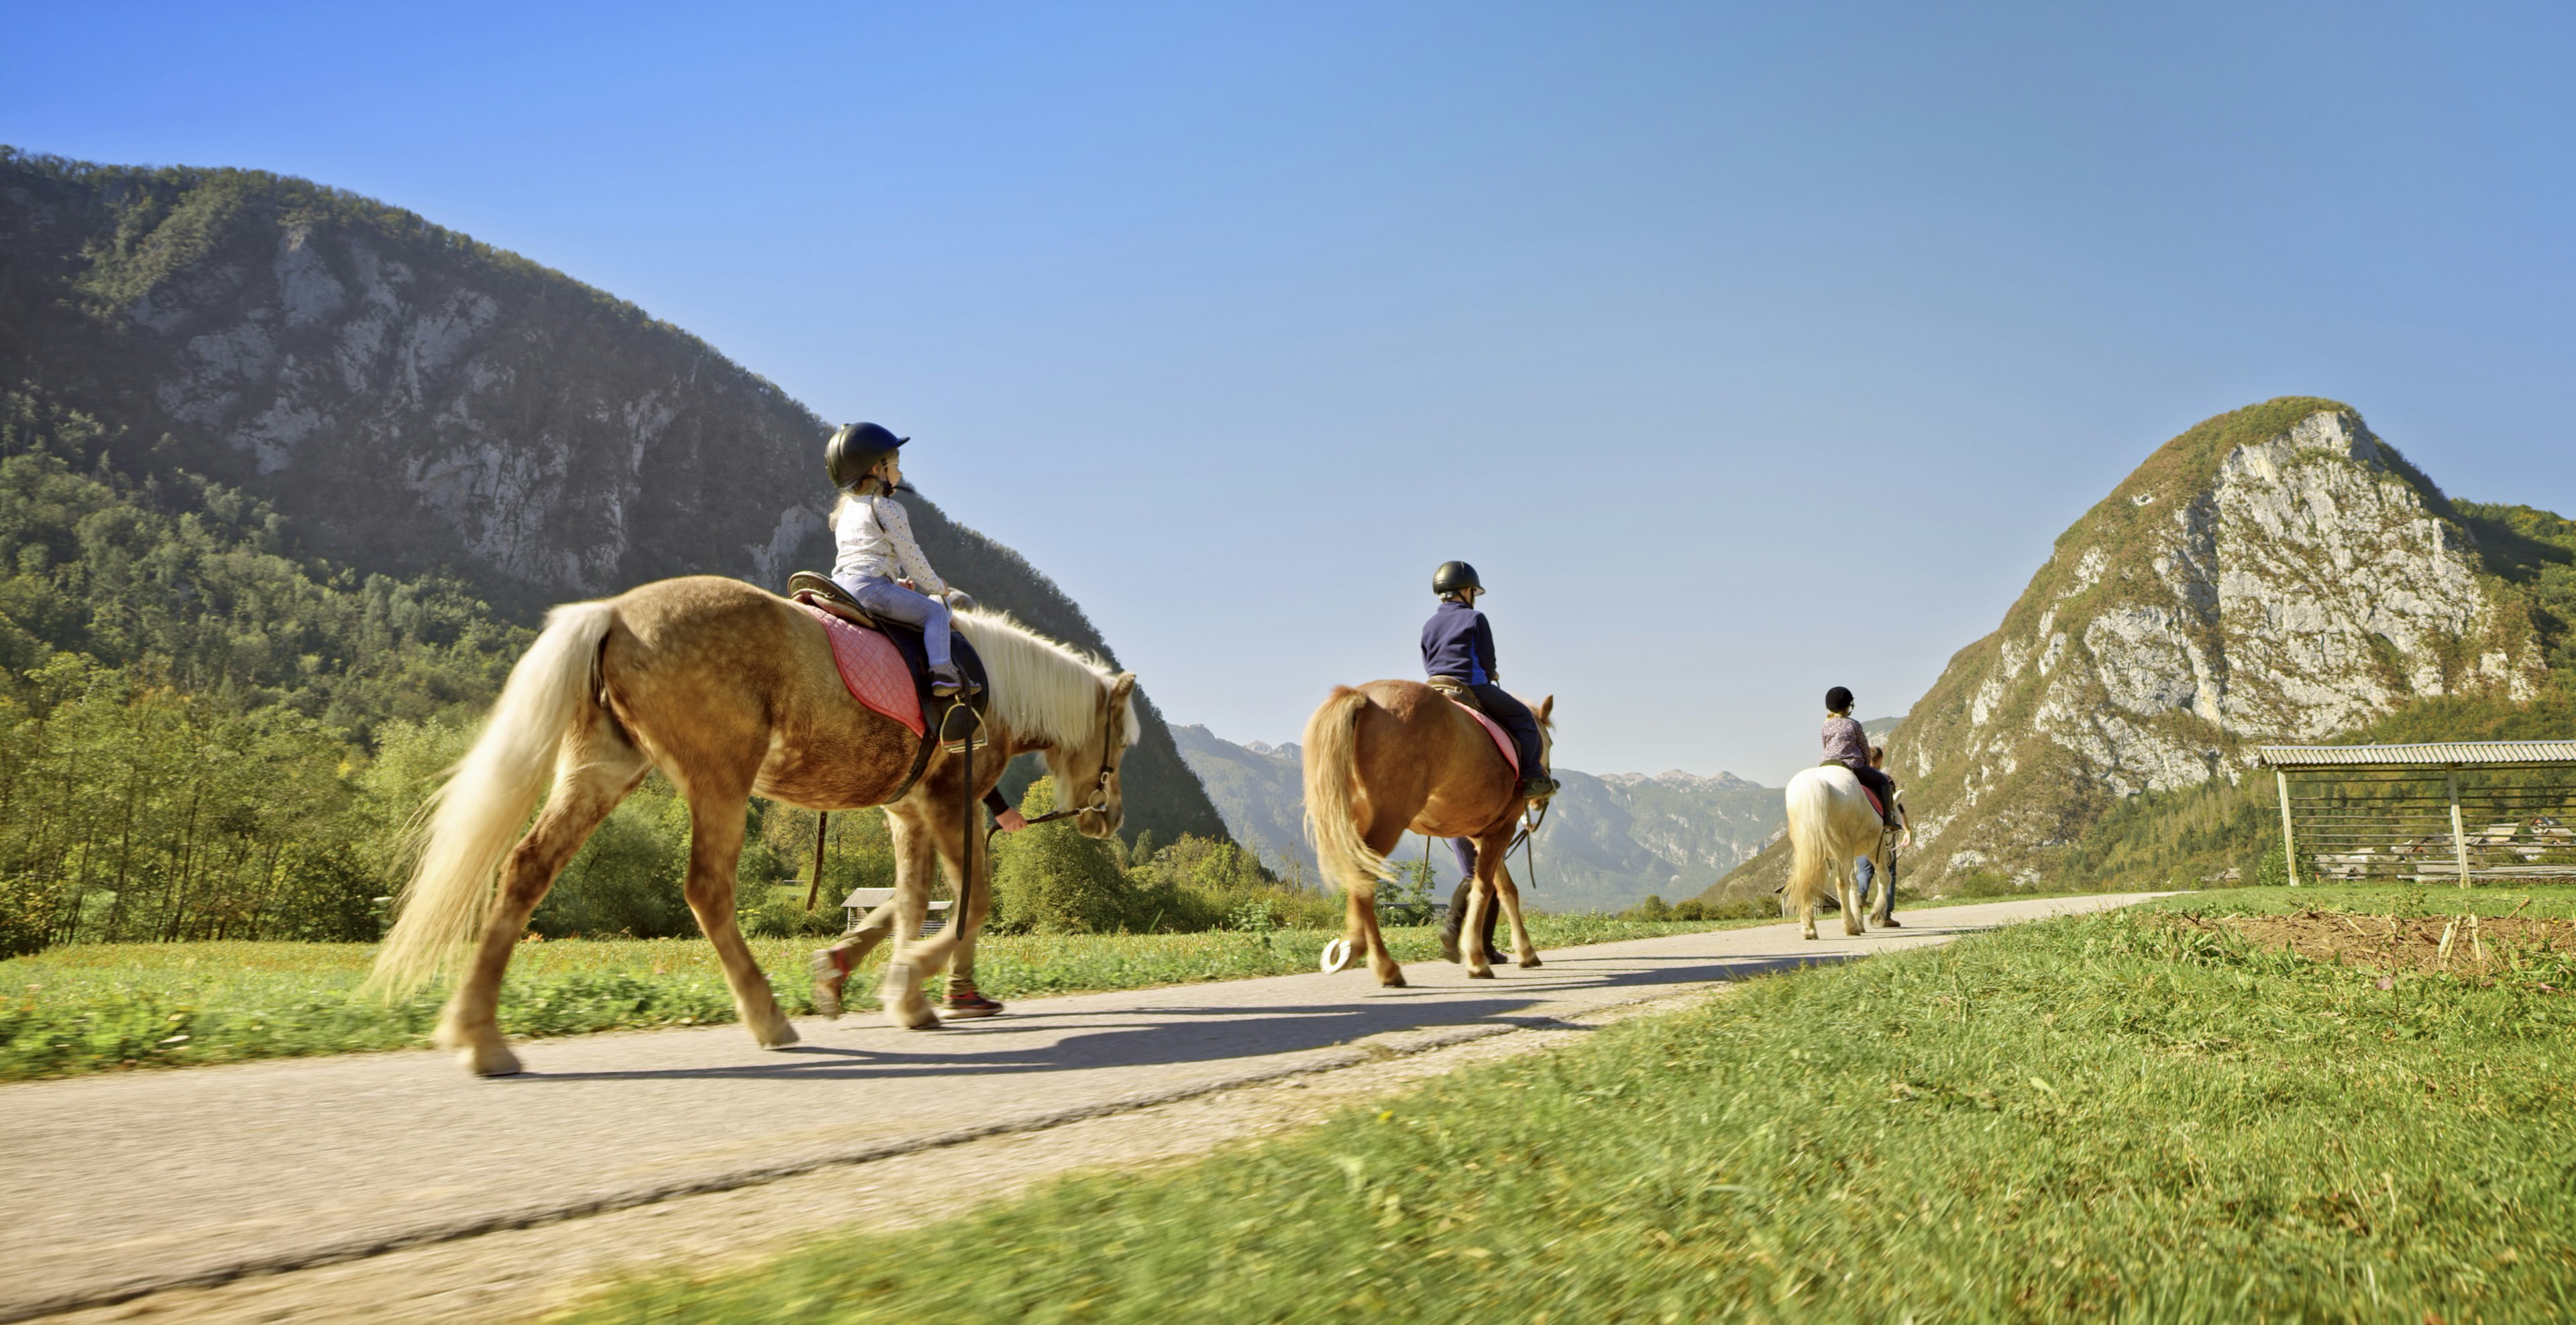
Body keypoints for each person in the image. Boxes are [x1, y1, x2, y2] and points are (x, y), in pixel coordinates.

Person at [825, 423, 975, 697]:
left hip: (841, 586)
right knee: (935, 612)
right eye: (896, 464)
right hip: (871, 589)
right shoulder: (887, 508)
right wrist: (935, 585)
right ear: (876, 469)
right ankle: (943, 673)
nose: (901, 472)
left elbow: (865, 556)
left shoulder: (845, 511)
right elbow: (911, 554)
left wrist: (894, 583)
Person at [1421, 560, 1557, 802]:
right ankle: (1532, 779)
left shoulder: (1429, 625)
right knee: (1524, 718)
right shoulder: (1475, 618)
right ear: (1466, 590)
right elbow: (1487, 661)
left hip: (1436, 688)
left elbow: (1428, 661)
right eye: (1474, 592)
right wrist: (1491, 674)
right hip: (1470, 686)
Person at [1821, 687, 1898, 826]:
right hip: (1851, 766)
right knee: (1883, 783)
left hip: (1827, 765)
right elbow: (1864, 747)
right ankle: (1888, 820)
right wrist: (1866, 762)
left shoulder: (1825, 726)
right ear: (1847, 706)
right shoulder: (1853, 724)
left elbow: (1825, 746)